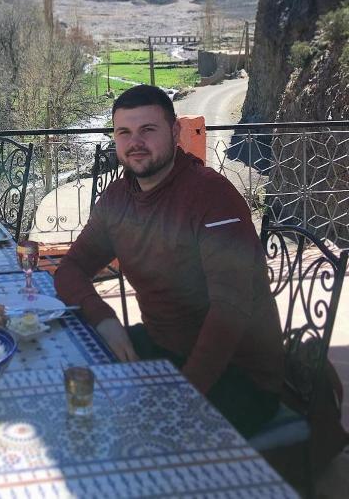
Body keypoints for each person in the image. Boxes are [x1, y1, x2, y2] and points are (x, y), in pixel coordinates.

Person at [54, 84, 284, 438]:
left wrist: (182, 395)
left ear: (175, 132)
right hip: (164, 350)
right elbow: (70, 269)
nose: (135, 143)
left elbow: (230, 312)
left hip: (239, 375)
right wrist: (104, 319)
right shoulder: (118, 198)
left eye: (148, 130)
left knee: (132, 432)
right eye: (124, 132)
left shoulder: (211, 197)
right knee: (70, 380)